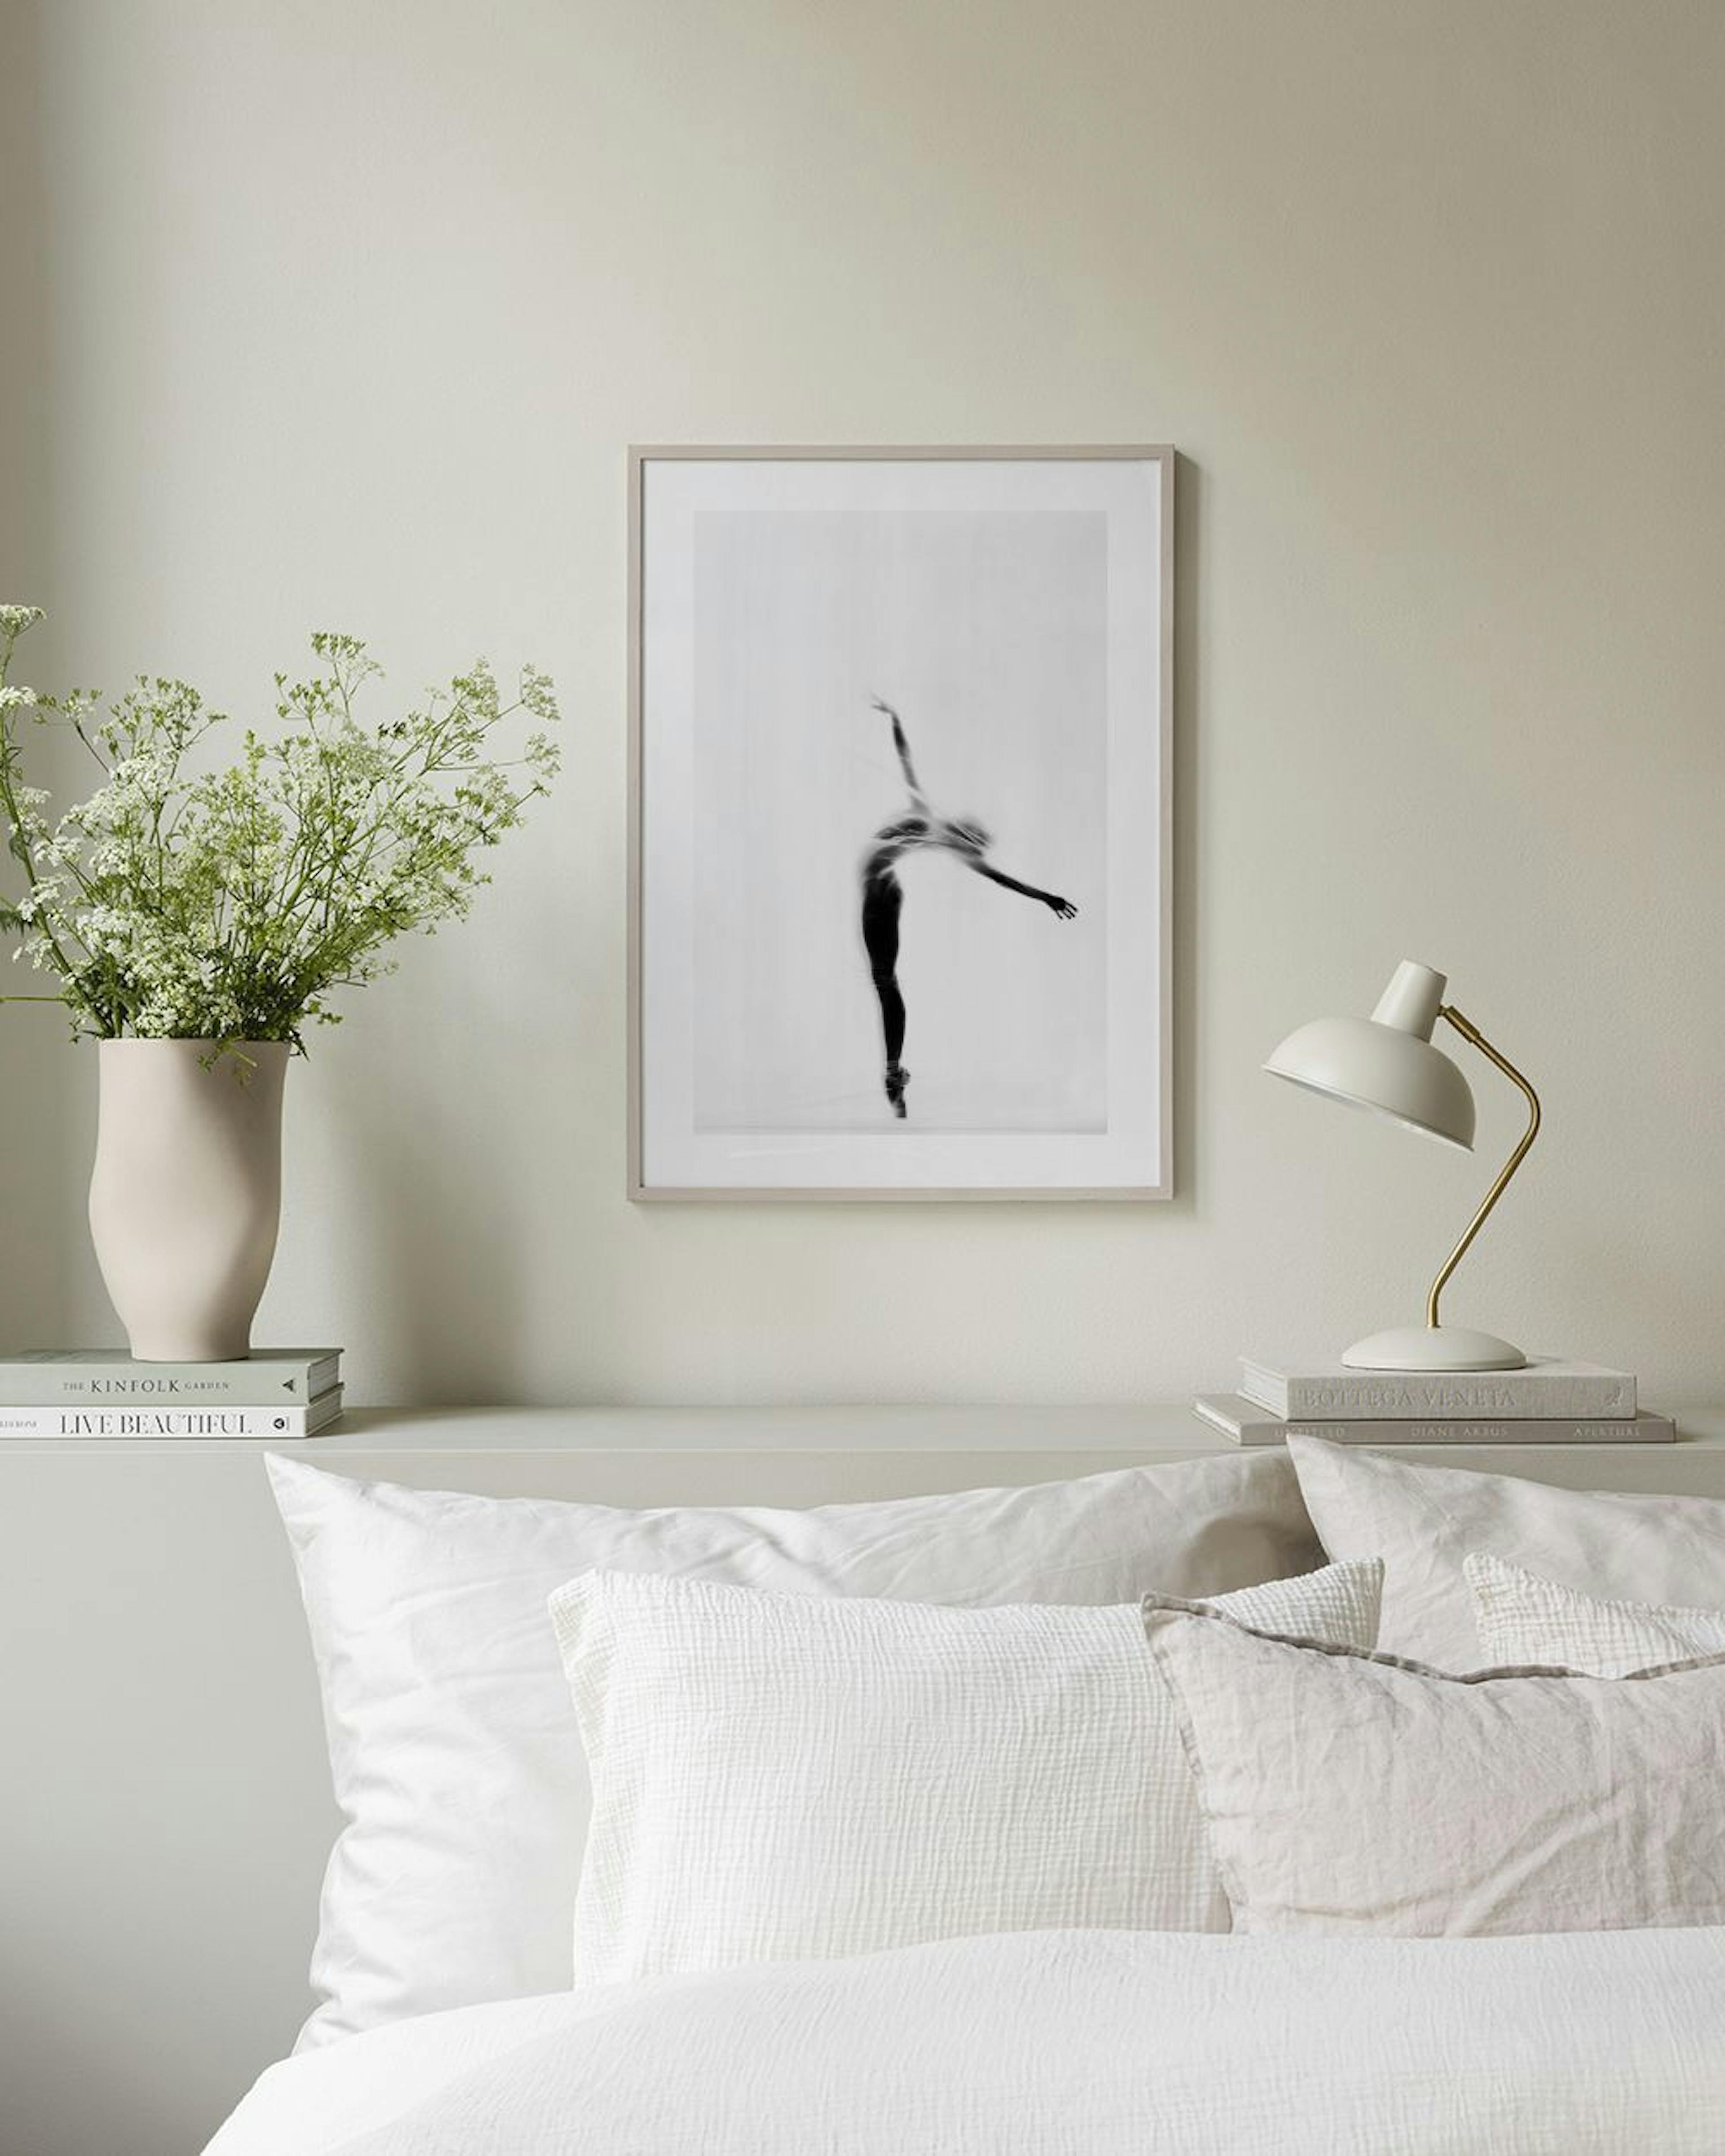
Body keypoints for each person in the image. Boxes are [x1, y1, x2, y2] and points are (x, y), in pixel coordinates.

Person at [860, 696, 1076, 1119]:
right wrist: (896, 720)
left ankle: (893, 1072)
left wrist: (1046, 897)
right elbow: (905, 760)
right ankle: (893, 1072)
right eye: (971, 834)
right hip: (880, 892)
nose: (967, 835)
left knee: (886, 982)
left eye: (970, 839)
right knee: (885, 982)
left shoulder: (946, 840)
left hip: (883, 893)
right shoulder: (928, 817)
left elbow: (999, 878)